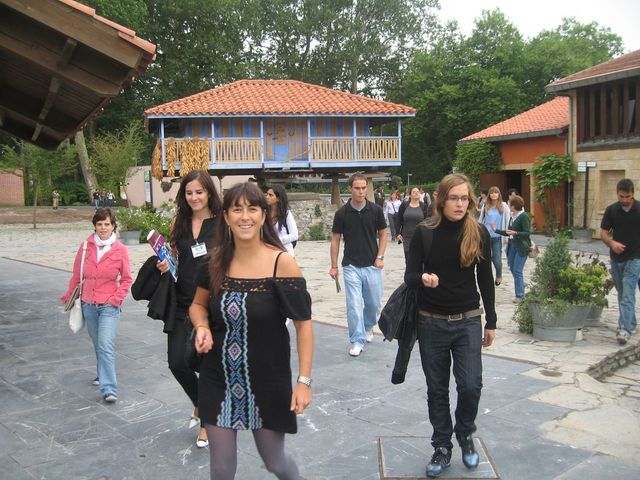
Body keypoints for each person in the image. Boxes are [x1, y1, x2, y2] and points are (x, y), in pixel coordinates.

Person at [189, 182, 314, 479]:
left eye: (252, 209)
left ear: (263, 215)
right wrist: (202, 325)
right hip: (217, 377)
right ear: (227, 217)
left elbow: (303, 324)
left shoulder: (282, 263)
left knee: (275, 463)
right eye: (237, 209)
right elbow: (197, 305)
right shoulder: (214, 261)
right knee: (220, 469)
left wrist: (304, 381)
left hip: (267, 379)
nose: (245, 216)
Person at [404, 173, 496, 478]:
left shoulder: (478, 232)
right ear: (441, 200)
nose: (460, 204)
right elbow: (409, 276)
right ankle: (442, 446)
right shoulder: (425, 233)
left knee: (471, 385)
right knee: (437, 389)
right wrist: (423, 278)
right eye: (454, 198)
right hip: (431, 322)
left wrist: (491, 321)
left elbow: (485, 279)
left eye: (465, 198)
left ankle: (465, 433)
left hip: (468, 319)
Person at [155, 170, 221, 448]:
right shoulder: (179, 223)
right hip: (181, 302)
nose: (194, 197)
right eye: (189, 192)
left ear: (209, 194)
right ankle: (201, 404)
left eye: (199, 192)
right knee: (176, 362)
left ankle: (207, 422)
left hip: (208, 304)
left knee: (203, 364)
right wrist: (165, 264)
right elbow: (176, 256)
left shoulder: (221, 225)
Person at [60, 207, 132, 403]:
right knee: (97, 343)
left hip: (109, 306)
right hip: (88, 304)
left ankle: (109, 388)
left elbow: (126, 279)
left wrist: (115, 299)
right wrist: (68, 295)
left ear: (113, 226)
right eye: (99, 224)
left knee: (105, 344)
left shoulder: (120, 250)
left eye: (107, 224)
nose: (103, 228)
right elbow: (77, 275)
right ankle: (102, 373)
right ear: (94, 226)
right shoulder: (85, 247)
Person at [330, 173, 387, 357]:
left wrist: (380, 257)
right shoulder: (342, 213)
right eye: (357, 188)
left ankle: (369, 326)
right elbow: (336, 239)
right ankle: (357, 340)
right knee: (354, 305)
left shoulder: (376, 210)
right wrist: (334, 265)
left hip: (372, 265)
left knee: (374, 303)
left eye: (364, 188)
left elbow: (384, 234)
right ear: (350, 189)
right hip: (351, 266)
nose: (361, 191)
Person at [600, 178, 640, 345]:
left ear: (633, 194)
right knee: (622, 292)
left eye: (628, 197)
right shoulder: (611, 210)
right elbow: (603, 232)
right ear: (617, 194)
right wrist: (612, 243)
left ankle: (624, 329)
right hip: (616, 258)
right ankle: (630, 322)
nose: (624, 200)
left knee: (628, 292)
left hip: (635, 257)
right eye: (622, 196)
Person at [495, 195, 531, 303]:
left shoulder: (523, 216)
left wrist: (516, 233)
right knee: (512, 268)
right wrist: (496, 230)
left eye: (510, 204)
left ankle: (519, 295)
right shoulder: (512, 216)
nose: (508, 205)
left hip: (521, 247)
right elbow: (508, 231)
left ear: (514, 206)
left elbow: (527, 233)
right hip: (512, 246)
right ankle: (521, 285)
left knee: (517, 270)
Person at [478, 186, 510, 286]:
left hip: (497, 237)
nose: (493, 194)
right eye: (492, 193)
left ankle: (499, 275)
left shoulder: (504, 206)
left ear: (499, 194)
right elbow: (481, 220)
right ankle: (487, 279)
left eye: (496, 192)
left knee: (496, 259)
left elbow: (508, 221)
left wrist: (507, 236)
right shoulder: (485, 205)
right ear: (489, 195)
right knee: (484, 259)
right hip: (485, 236)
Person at [396, 187, 429, 261]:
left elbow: (427, 221)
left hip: (420, 236)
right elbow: (399, 219)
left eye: (418, 192)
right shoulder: (404, 205)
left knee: (420, 260)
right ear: (410, 195)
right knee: (409, 260)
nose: (417, 193)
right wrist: (397, 233)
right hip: (407, 237)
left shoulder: (423, 206)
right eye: (414, 192)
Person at [266, 184, 299, 255]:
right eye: (267, 194)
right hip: (269, 253)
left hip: (285, 252)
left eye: (270, 195)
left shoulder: (286, 214)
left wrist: (276, 240)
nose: (267, 197)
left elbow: (294, 235)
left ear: (278, 198)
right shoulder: (265, 213)